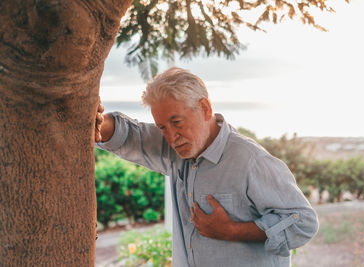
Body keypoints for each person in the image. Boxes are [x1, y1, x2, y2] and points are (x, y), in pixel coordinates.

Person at [95, 67, 319, 266]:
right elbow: (133, 136)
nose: (171, 136)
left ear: (205, 108)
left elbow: (303, 222)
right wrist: (96, 122)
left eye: (177, 122)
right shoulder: (176, 150)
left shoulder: (249, 160)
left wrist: (232, 231)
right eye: (162, 127)